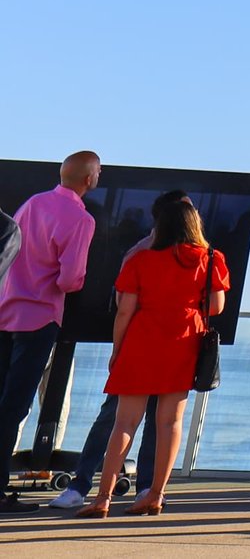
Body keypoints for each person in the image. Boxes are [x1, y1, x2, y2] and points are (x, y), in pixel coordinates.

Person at [76, 194, 227, 519]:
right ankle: (155, 494)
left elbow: (124, 310)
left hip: (142, 341)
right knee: (170, 422)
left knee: (124, 422)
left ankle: (102, 498)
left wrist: (117, 351)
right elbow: (215, 307)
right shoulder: (210, 258)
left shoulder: (141, 260)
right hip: (184, 341)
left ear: (160, 226)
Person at [46, 196, 176, 515]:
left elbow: (123, 305)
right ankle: (83, 484)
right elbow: (123, 304)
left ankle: (140, 487)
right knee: (121, 418)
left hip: (153, 349)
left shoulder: (186, 257)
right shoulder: (142, 253)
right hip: (150, 349)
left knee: (142, 421)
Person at [0, 151, 100, 511]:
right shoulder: (80, 219)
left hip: (5, 310)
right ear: (89, 179)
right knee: (13, 408)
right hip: (38, 318)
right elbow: (71, 279)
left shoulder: (31, 203)